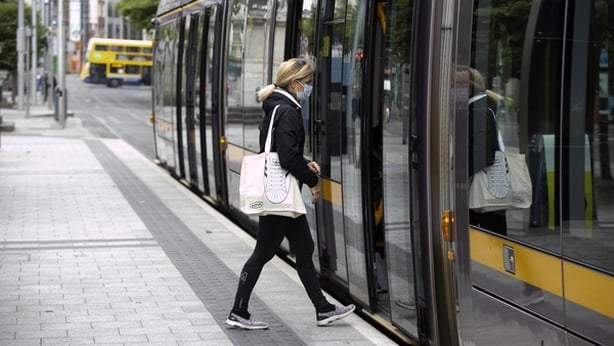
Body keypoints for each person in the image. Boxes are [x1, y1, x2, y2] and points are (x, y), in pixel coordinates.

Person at [225, 58, 355, 330]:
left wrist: (303, 161)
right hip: (278, 193)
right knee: (263, 252)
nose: (309, 88)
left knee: (304, 248)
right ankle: (238, 311)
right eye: (308, 83)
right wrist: (312, 180)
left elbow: (282, 151)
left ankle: (322, 309)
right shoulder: (287, 111)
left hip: (280, 193)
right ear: (295, 83)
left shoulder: (277, 106)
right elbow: (285, 158)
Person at [468, 67, 507, 236]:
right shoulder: (480, 107)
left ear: (468, 87)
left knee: (489, 239)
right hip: (491, 188)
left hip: (485, 189)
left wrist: (461, 168)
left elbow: (481, 155)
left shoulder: (478, 111)